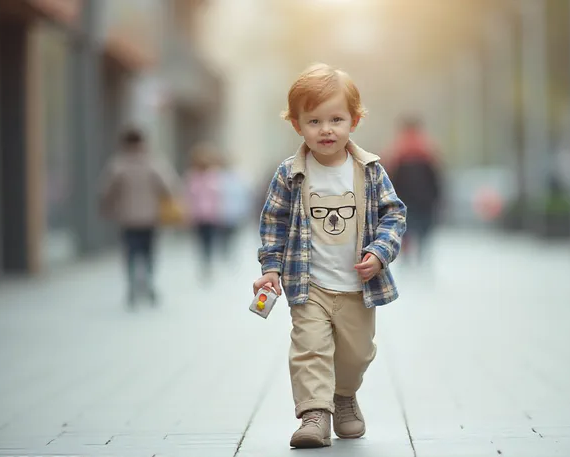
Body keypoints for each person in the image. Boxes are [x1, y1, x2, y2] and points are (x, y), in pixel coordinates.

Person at [252, 63, 407, 448]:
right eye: (314, 121)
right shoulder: (289, 174)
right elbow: (273, 222)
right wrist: (270, 269)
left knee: (357, 353)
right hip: (309, 285)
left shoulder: (370, 171)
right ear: (297, 125)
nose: (326, 129)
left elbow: (394, 214)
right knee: (310, 349)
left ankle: (344, 395)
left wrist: (379, 253)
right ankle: (314, 415)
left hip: (357, 286)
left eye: (336, 119)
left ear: (354, 121)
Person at [99, 128, 177, 307]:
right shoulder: (153, 163)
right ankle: (148, 281)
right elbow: (169, 186)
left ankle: (132, 285)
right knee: (148, 252)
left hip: (127, 218)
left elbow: (106, 190)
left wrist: (107, 208)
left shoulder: (118, 164)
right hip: (150, 217)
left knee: (131, 252)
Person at [386, 115, 441, 264]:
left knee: (409, 230)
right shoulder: (426, 150)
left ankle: (412, 257)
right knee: (417, 230)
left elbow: (390, 180)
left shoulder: (399, 152)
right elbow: (436, 179)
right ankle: (416, 257)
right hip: (419, 200)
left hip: (413, 200)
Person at [184, 143, 224, 277]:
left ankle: (208, 261)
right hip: (197, 215)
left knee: (210, 240)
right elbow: (189, 195)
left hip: (211, 215)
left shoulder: (213, 175)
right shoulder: (192, 176)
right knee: (200, 240)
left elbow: (219, 195)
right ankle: (204, 261)